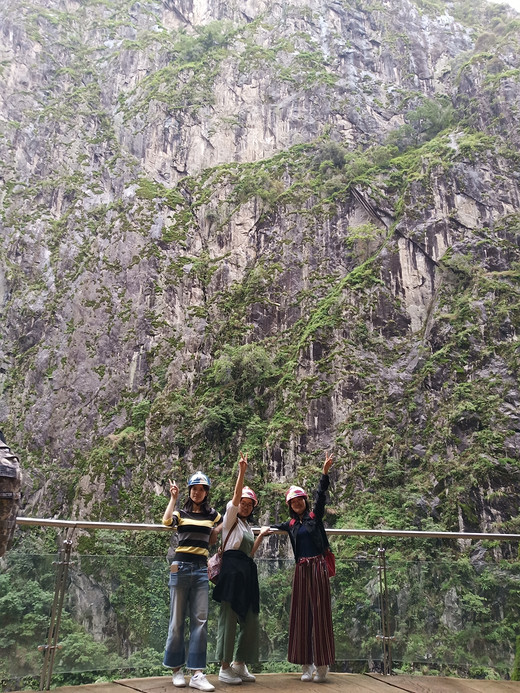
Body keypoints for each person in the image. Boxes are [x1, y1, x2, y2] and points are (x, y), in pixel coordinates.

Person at [266, 453, 335, 683]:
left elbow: (321, 495)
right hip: (301, 570)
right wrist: (263, 529)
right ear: (290, 506)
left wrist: (324, 473)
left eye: (299, 500)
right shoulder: (291, 524)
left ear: (304, 501)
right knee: (301, 615)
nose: (297, 504)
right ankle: (306, 665)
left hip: (318, 567)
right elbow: (274, 526)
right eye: (293, 502)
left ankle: (322, 665)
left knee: (321, 615)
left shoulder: (314, 516)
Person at [212, 452, 269, 685]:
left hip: (246, 571)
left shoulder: (246, 525)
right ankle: (224, 667)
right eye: (243, 503)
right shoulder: (231, 517)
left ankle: (239, 662)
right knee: (229, 617)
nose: (244, 506)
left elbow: (250, 553)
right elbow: (235, 497)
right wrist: (242, 471)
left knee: (251, 617)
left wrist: (261, 536)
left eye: (249, 504)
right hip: (231, 572)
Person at [162, 471, 222, 692]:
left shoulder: (212, 514)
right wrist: (173, 498)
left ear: (206, 492)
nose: (197, 492)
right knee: (177, 621)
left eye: (201, 489)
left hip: (200, 569)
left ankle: (197, 673)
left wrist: (214, 533)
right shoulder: (181, 511)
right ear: (190, 491)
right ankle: (176, 669)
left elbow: (224, 523)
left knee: (200, 621)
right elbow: (167, 521)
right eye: (194, 489)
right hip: (179, 567)